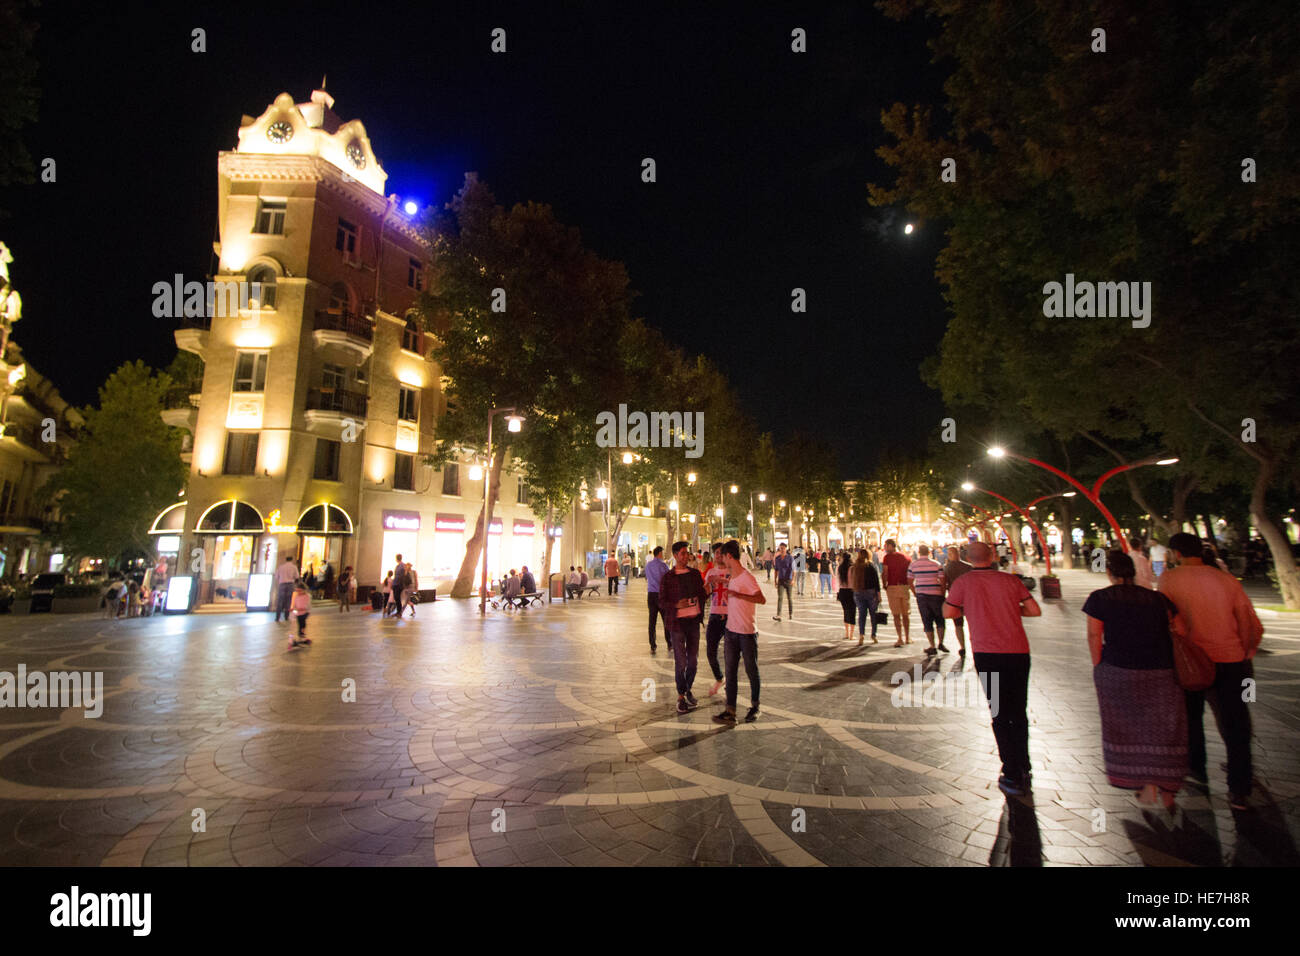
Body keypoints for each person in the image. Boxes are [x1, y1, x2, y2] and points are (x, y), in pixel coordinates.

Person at [1157, 532, 1262, 810]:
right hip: (1230, 659)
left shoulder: (1169, 579)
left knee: (1192, 718)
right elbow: (1246, 620)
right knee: (1236, 723)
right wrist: (1247, 651)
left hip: (1190, 661)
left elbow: (1165, 618)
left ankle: (1196, 768)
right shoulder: (1226, 580)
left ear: (1176, 553)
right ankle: (1240, 788)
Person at [1083, 551, 1187, 809]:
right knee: (1164, 729)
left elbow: (1094, 636)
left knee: (1125, 727)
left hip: (1119, 670)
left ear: (1110, 573)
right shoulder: (1158, 599)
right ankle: (1166, 789)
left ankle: (1141, 783)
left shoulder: (1100, 598)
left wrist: (1099, 667)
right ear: (1134, 572)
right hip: (1161, 671)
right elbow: (1181, 631)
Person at [943, 541, 1042, 796]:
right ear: (993, 556)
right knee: (1019, 710)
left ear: (967, 558)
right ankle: (1025, 765)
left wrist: (972, 608)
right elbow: (1034, 610)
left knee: (999, 712)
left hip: (988, 654)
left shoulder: (964, 583)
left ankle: (1010, 771)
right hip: (1018, 652)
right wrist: (1010, 609)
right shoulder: (1010, 581)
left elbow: (948, 611)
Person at [714, 540, 765, 724]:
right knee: (731, 672)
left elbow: (761, 599)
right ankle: (730, 710)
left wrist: (738, 595)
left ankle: (755, 706)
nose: (721, 559)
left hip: (747, 632)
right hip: (731, 631)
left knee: (752, 670)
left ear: (729, 556)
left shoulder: (746, 576)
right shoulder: (732, 576)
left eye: (723, 556)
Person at [660, 541, 707, 714]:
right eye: (682, 553)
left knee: (693, 661)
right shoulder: (668, 577)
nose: (686, 556)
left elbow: (702, 594)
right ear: (675, 555)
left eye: (687, 553)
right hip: (677, 624)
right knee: (681, 661)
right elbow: (662, 601)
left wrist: (707, 590)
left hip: (693, 622)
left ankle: (688, 689)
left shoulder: (695, 574)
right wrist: (676, 605)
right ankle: (681, 695)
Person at [909, 544, 948, 655]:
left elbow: (909, 580)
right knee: (940, 619)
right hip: (936, 594)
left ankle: (932, 645)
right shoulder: (936, 564)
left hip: (922, 595)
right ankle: (941, 642)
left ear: (919, 553)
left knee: (927, 620)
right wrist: (942, 593)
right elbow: (942, 580)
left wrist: (915, 592)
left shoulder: (913, 565)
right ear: (929, 552)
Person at [703, 542, 731, 697]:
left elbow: (738, 588)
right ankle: (719, 678)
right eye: (716, 553)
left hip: (730, 615)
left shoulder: (732, 571)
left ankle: (730, 683)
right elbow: (706, 593)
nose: (718, 555)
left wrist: (723, 581)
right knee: (710, 651)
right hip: (714, 614)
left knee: (730, 653)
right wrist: (708, 584)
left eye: (720, 552)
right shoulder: (711, 572)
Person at [942, 546, 973, 656]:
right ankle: (974, 645)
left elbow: (944, 584)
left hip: (955, 599)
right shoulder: (968, 567)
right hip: (969, 599)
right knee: (972, 624)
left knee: (958, 624)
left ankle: (962, 647)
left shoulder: (946, 568)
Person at [881, 539, 912, 647]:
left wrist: (884, 584)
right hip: (904, 587)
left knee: (896, 614)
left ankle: (900, 638)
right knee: (905, 614)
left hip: (893, 587)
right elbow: (910, 573)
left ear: (891, 546)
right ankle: (907, 637)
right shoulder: (906, 557)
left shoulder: (887, 558)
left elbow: (885, 572)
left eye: (885, 546)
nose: (884, 548)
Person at [849, 549, 880, 645]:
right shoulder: (870, 566)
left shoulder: (855, 566)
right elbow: (876, 581)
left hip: (858, 592)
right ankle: (873, 635)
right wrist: (879, 594)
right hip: (870, 592)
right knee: (873, 615)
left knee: (862, 615)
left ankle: (861, 635)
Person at [645, 546, 670, 653]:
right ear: (659, 553)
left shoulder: (648, 565)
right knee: (666, 620)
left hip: (651, 595)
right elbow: (668, 578)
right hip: (661, 595)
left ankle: (652, 645)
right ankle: (669, 643)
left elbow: (647, 577)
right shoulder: (663, 565)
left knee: (652, 621)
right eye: (662, 553)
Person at [836, 552, 856, 640]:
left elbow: (837, 580)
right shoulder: (852, 568)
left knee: (845, 611)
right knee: (852, 612)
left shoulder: (839, 568)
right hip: (851, 591)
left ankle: (847, 633)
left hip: (842, 591)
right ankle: (851, 635)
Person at [772, 543, 794, 621]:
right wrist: (775, 580)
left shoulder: (790, 558)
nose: (782, 550)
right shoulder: (777, 559)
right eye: (780, 548)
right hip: (780, 580)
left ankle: (791, 613)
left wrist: (793, 579)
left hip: (788, 580)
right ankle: (778, 615)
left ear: (786, 549)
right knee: (780, 597)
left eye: (783, 548)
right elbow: (776, 570)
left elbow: (793, 569)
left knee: (789, 598)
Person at [288, 580, 313, 649]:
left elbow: (306, 606)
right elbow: (294, 604)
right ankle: (301, 636)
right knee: (299, 623)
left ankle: (302, 635)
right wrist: (293, 608)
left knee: (302, 623)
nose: (298, 592)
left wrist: (300, 609)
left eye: (300, 591)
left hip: (305, 613)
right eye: (297, 591)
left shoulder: (307, 596)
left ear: (304, 590)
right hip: (298, 613)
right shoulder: (297, 596)